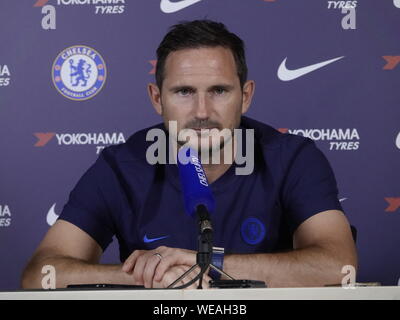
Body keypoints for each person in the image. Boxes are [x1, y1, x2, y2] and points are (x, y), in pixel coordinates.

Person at [21, 20, 357, 289]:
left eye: (219, 91)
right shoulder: (121, 166)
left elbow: (339, 267)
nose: (201, 111)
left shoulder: (292, 158)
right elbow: (41, 274)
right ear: (157, 99)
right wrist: (149, 276)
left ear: (246, 95)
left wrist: (208, 266)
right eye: (184, 91)